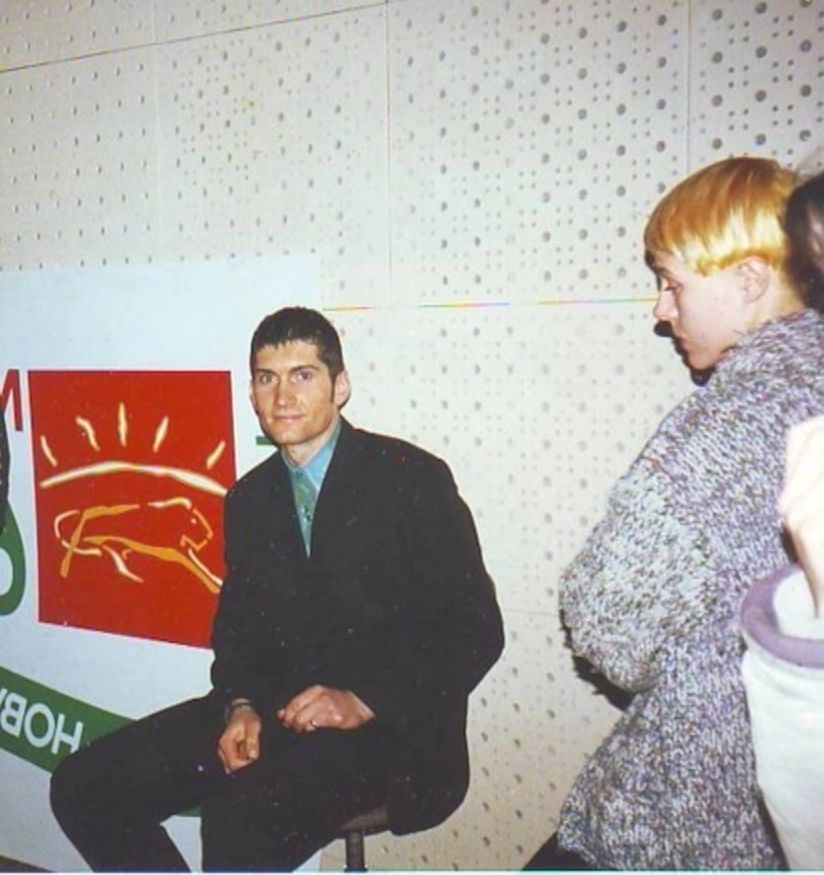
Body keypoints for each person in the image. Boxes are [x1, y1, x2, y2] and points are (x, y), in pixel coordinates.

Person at [50, 306, 504, 872]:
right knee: (86, 785)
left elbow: (476, 630)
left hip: (392, 728)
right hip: (275, 713)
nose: (283, 397)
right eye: (267, 378)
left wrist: (362, 699)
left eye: (302, 375)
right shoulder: (249, 498)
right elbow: (238, 631)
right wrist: (240, 705)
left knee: (237, 818)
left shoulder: (410, 477)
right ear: (252, 394)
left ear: (340, 387)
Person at [525, 156, 824, 870]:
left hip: (682, 827)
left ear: (748, 281)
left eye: (673, 283)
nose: (661, 311)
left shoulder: (729, 421)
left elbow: (604, 620)